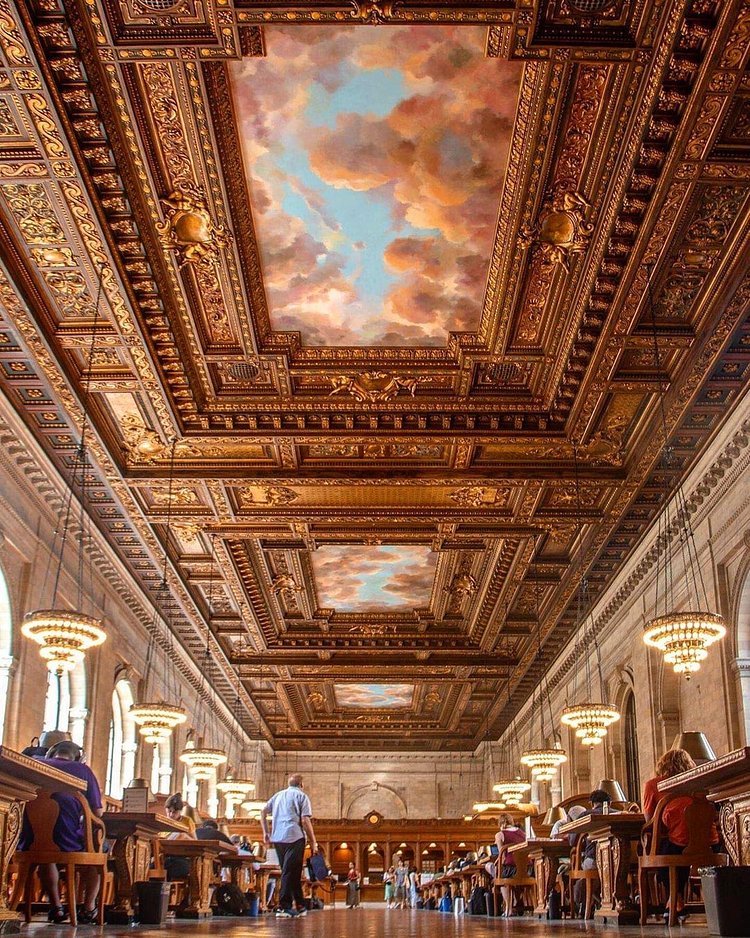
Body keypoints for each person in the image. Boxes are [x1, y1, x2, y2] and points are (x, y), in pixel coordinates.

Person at [18, 740, 103, 925]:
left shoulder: (35, 763)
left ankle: (56, 907)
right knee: (99, 847)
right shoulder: (84, 770)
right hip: (67, 840)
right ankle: (88, 909)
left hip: (29, 840)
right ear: (78, 758)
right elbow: (97, 813)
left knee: (46, 844)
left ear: (50, 753)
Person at [642, 748, 719, 922]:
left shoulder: (653, 785)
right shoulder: (700, 782)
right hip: (711, 844)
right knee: (675, 848)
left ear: (662, 765)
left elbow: (650, 822)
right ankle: (679, 903)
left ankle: (675, 901)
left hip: (678, 845)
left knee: (664, 854)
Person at [261, 773, 319, 918]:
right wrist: (313, 842)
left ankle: (300, 905)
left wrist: (265, 832)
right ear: (301, 785)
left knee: (291, 871)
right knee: (289, 871)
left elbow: (262, 811)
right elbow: (305, 820)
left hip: (278, 838)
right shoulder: (302, 796)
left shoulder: (278, 795)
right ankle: (284, 906)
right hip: (294, 837)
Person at [569, 789, 614, 913]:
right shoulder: (619, 813)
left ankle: (589, 904)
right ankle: (608, 901)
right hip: (619, 859)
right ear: (609, 803)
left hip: (594, 859)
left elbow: (572, 841)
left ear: (591, 803)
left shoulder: (585, 815)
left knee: (583, 871)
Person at [495, 813, 526, 916]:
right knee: (514, 878)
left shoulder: (500, 834)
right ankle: (518, 901)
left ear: (500, 823)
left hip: (511, 868)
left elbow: (502, 855)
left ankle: (508, 908)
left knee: (501, 876)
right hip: (527, 869)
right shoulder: (522, 833)